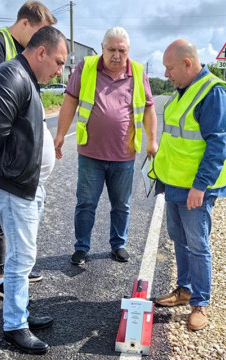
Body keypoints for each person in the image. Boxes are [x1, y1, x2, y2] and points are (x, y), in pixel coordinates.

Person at [0, 26, 68, 354]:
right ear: (41, 52)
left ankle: (20, 311)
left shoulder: (26, 77)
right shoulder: (12, 76)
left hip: (27, 183)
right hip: (13, 185)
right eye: (59, 61)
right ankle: (14, 326)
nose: (60, 69)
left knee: (23, 256)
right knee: (21, 257)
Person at [0, 1, 56, 298]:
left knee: (16, 213)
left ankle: (18, 267)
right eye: (42, 33)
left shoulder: (26, 54)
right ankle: (1, 275)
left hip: (9, 142)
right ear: (27, 24)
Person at [54, 26, 158, 266]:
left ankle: (118, 245)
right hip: (91, 154)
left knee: (121, 204)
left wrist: (152, 141)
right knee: (86, 203)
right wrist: (60, 134)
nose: (116, 55)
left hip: (124, 155)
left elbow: (150, 107)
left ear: (128, 51)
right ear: (102, 48)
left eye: (122, 50)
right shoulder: (87, 67)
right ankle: (81, 247)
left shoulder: (139, 72)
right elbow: (70, 100)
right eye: (111, 49)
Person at [150, 39, 226, 331]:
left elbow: (217, 145)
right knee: (179, 240)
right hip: (174, 185)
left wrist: (200, 185)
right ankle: (183, 290)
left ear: (187, 64)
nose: (166, 74)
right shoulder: (182, 91)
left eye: (169, 68)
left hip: (195, 189)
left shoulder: (213, 92)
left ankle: (200, 303)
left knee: (198, 246)